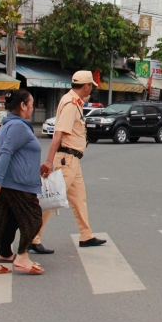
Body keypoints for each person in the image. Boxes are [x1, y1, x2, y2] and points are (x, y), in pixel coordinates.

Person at [33, 71, 106, 253]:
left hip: (74, 159)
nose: (91, 90)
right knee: (52, 199)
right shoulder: (70, 104)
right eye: (91, 86)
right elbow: (58, 133)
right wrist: (49, 161)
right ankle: (32, 237)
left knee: (79, 198)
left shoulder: (75, 102)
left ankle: (86, 235)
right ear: (86, 86)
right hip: (67, 158)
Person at [0, 89, 45, 275]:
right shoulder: (18, 126)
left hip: (5, 181)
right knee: (33, 218)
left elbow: (14, 153)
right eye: (31, 104)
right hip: (16, 183)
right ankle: (23, 256)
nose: (33, 108)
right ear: (23, 106)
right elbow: (7, 153)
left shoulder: (7, 124)